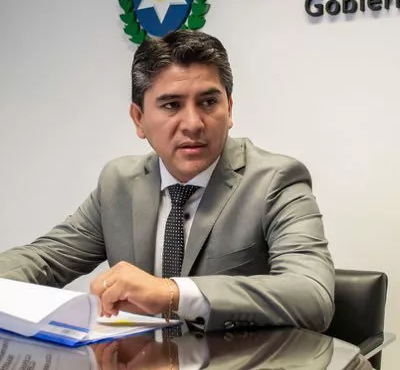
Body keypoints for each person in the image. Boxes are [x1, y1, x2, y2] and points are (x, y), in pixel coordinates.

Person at [0, 30, 334, 332]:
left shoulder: (276, 180)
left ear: (229, 109)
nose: (193, 123)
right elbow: (44, 260)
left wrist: (172, 294)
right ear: (139, 119)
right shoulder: (119, 183)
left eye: (208, 102)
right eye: (172, 105)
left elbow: (312, 296)